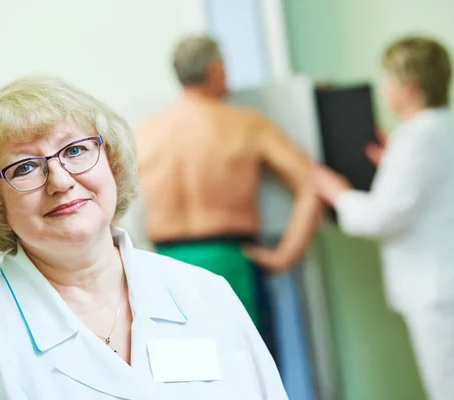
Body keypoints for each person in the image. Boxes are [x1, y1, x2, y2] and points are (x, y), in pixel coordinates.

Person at [0, 75, 288, 399]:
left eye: (74, 150)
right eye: (24, 168)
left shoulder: (208, 297)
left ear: (112, 162)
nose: (60, 181)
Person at [315, 36, 454, 400]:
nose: (383, 89)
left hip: (445, 291)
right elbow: (433, 193)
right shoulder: (444, 130)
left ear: (410, 86)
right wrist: (393, 162)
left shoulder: (418, 138)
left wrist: (338, 193)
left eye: (387, 79)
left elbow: (384, 217)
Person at [134, 36, 320, 333]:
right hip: (233, 262)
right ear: (216, 69)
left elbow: (108, 202)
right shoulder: (247, 125)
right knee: (250, 370)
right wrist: (287, 254)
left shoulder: (146, 134)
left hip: (165, 267)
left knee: (184, 370)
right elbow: (313, 184)